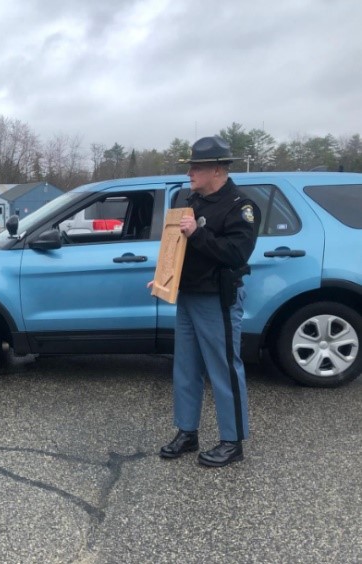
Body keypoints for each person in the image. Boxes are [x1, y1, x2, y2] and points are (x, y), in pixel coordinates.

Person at [158, 136, 260, 467]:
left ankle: (232, 441)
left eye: (196, 167)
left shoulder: (239, 206)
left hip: (217, 299)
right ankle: (187, 432)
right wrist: (164, 276)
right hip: (187, 295)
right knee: (185, 368)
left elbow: (236, 253)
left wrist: (197, 234)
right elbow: (180, 250)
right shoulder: (193, 202)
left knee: (224, 369)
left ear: (217, 169)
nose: (190, 173)